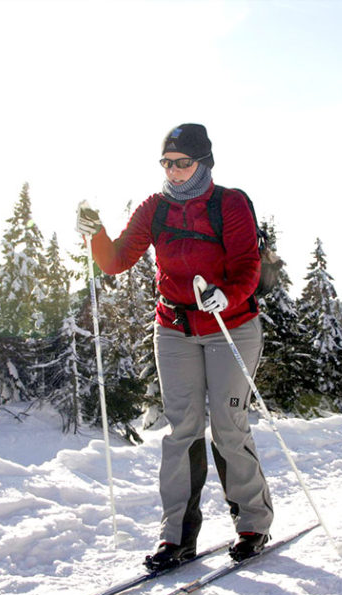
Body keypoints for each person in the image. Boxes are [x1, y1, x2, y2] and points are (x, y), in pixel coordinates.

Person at [75, 123, 274, 569]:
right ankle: (176, 537)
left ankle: (253, 522)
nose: (174, 170)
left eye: (182, 162)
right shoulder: (156, 208)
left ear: (203, 162)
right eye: (167, 162)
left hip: (231, 324)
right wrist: (96, 233)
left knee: (227, 423)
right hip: (175, 327)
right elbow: (116, 261)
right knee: (181, 429)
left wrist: (227, 294)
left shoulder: (231, 203)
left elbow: (247, 265)